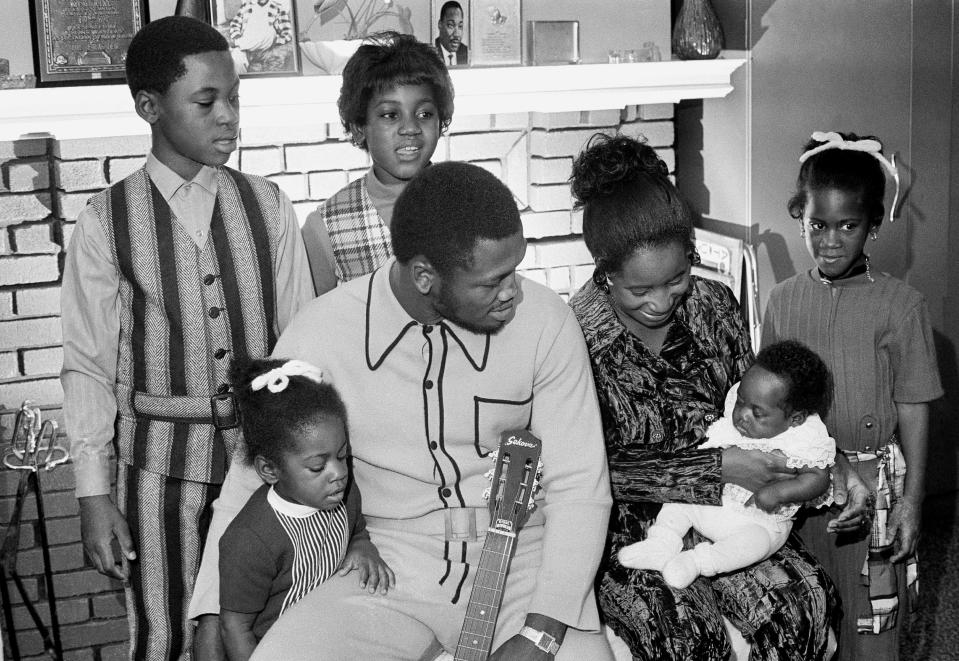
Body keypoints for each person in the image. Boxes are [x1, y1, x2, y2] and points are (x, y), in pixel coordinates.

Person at [190, 161, 614, 660]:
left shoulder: (547, 321)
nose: (512, 291)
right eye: (490, 282)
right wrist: (213, 616)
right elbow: (251, 477)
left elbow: (580, 485)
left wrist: (542, 632)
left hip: (526, 556)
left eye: (514, 270)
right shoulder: (323, 330)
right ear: (425, 276)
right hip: (384, 568)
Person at [59, 16, 313, 660]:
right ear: (149, 106)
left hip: (264, 464)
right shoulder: (103, 223)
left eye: (235, 98)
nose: (229, 116)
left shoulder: (270, 206)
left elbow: (302, 348)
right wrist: (94, 496)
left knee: (273, 625)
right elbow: (87, 367)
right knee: (165, 633)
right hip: (156, 470)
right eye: (207, 102)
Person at [566, 133, 862, 661]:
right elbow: (580, 471)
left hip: (734, 508)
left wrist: (828, 458)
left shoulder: (713, 304)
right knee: (689, 638)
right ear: (604, 271)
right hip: (626, 523)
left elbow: (762, 406)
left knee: (804, 605)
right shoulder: (573, 338)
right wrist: (716, 470)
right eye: (640, 290)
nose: (661, 301)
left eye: (677, 278)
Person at [762, 131, 943, 661]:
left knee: (872, 631)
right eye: (818, 224)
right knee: (810, 619)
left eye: (848, 226)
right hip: (804, 487)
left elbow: (913, 404)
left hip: (877, 493)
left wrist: (913, 502)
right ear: (800, 216)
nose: (831, 240)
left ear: (874, 226)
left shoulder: (901, 305)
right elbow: (769, 403)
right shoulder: (782, 301)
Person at [619, 340, 835, 590]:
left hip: (760, 520)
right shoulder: (746, 399)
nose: (742, 414)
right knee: (682, 496)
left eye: (757, 413)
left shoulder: (806, 436)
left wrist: (778, 492)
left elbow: (819, 477)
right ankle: (661, 543)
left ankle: (697, 562)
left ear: (794, 418)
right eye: (741, 401)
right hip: (716, 500)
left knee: (757, 544)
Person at [218, 357, 393, 661]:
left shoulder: (343, 495)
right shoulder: (249, 541)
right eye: (317, 466)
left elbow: (357, 530)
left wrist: (363, 547)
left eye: (342, 455)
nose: (338, 472)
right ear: (270, 470)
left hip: (333, 639)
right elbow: (234, 628)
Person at [301, 32, 453, 295]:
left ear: (441, 121)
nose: (410, 128)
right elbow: (317, 325)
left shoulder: (468, 199)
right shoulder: (326, 227)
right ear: (360, 127)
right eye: (390, 115)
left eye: (424, 114)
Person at [434, 1, 468, 66]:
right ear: (440, 25)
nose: (456, 34)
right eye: (451, 25)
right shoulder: (429, 53)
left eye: (460, 26)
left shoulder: (467, 53)